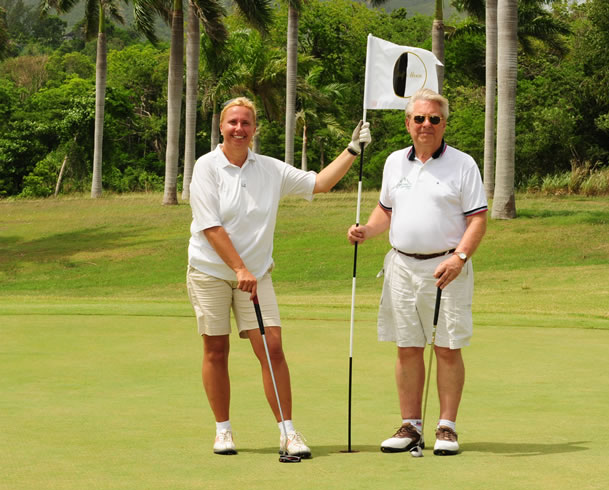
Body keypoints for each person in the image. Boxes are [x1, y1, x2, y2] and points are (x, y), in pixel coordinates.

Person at [187, 96, 371, 457]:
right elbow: (210, 226)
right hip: (210, 272)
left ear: (255, 129)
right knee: (216, 348)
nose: (239, 129)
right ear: (221, 127)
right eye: (232, 122)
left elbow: (318, 184)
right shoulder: (206, 167)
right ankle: (223, 430)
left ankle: (288, 432)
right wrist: (238, 268)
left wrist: (352, 149)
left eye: (246, 123)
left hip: (256, 274)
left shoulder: (269, 169)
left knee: (272, 348)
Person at [347, 89, 487, 455]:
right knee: (407, 347)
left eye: (434, 119)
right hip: (401, 266)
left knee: (447, 347)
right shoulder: (395, 162)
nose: (427, 125)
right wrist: (367, 231)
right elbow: (386, 211)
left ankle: (446, 427)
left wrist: (459, 258)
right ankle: (410, 425)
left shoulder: (463, 164)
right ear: (408, 123)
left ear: (444, 124)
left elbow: (478, 219)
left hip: (446, 267)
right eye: (419, 119)